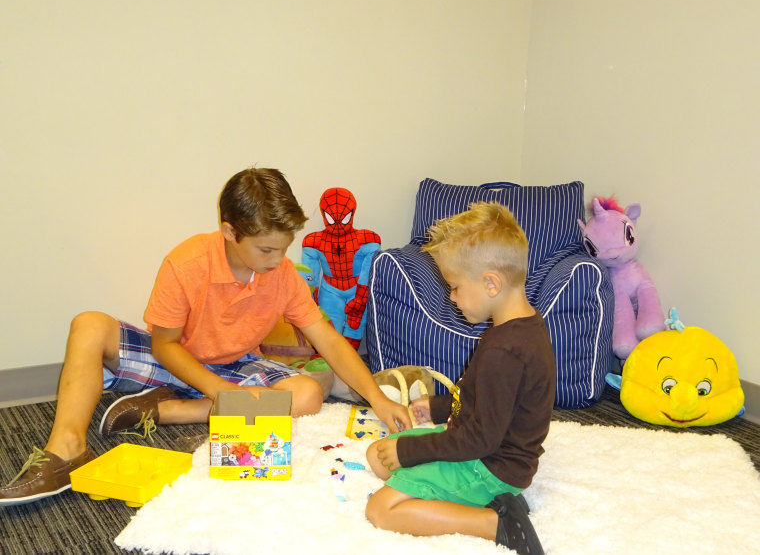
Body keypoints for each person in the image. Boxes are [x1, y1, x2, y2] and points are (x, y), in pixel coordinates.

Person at [0, 167, 411, 506]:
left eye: (283, 249)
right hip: (171, 359)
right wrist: (217, 391)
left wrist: (376, 397)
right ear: (230, 232)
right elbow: (163, 344)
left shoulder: (282, 275)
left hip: (235, 366)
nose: (277, 261)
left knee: (308, 394)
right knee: (88, 323)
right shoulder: (187, 262)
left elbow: (329, 340)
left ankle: (168, 410)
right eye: (266, 250)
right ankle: (66, 449)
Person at [364, 202, 556, 555]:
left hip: (490, 467)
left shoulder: (505, 352)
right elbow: (489, 403)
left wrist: (410, 450)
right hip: (485, 448)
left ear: (491, 284)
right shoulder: (522, 328)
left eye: (454, 287)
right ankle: (470, 502)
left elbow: (478, 440)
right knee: (378, 456)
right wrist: (438, 409)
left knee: (379, 510)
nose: (452, 298)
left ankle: (494, 523)